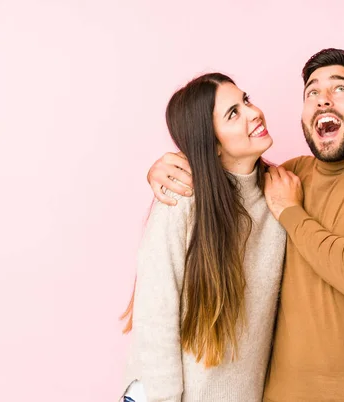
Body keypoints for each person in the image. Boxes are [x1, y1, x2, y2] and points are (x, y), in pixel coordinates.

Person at [148, 49, 344, 401]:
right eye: (312, 92)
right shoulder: (287, 177)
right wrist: (169, 165)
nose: (322, 100)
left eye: (339, 89)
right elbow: (229, 171)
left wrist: (291, 213)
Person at [121, 72, 287, 402]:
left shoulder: (280, 196)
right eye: (233, 113)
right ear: (211, 144)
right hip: (161, 394)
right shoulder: (182, 198)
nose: (253, 112)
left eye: (246, 100)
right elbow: (156, 312)